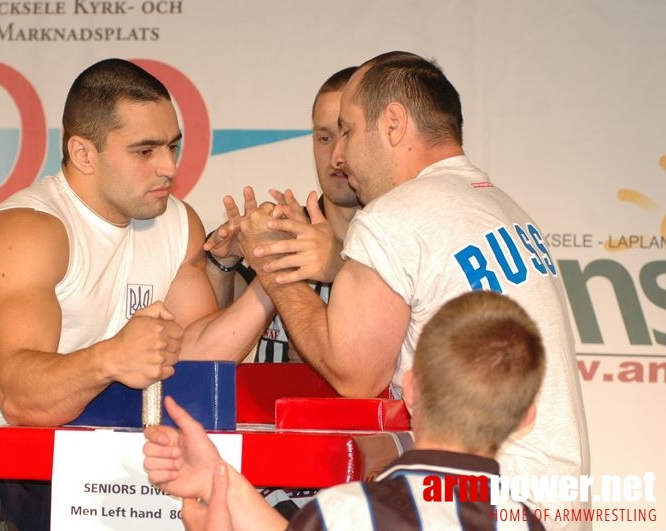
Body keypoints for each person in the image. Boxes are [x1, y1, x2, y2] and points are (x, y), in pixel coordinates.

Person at [0, 58, 274, 531]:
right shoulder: (29, 231)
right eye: (146, 151)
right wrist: (112, 357)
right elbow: (20, 399)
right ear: (83, 153)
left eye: (173, 146)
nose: (169, 167)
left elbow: (199, 355)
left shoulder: (176, 225)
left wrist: (272, 281)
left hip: (82, 461)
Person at [237, 51, 590, 528]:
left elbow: (354, 373)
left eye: (349, 129)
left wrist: (270, 262)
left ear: (394, 123)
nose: (340, 154)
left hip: (476, 505)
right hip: (549, 502)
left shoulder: (397, 214)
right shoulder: (499, 206)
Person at [143, 290, 547, 530]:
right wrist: (221, 481)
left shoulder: (350, 511)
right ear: (526, 417)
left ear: (410, 388)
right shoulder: (523, 522)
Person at [204, 66, 360, 363]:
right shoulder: (278, 233)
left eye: (348, 135)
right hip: (266, 409)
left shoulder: (401, 237)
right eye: (324, 138)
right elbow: (210, 350)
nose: (337, 155)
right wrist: (222, 263)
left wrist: (338, 264)